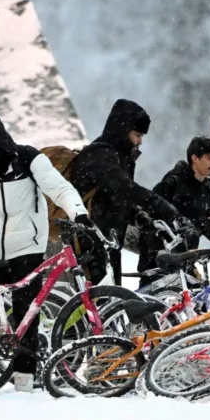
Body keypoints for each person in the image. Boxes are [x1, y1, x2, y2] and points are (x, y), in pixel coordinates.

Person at [0, 112, 90, 393]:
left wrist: (79, 213)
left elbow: (59, 188)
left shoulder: (29, 158)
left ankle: (24, 379)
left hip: (28, 246)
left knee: (27, 312)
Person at [69, 99, 183, 284]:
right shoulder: (100, 154)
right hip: (89, 245)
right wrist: (160, 204)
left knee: (109, 306)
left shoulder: (117, 156)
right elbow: (123, 188)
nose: (139, 141)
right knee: (99, 306)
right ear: (123, 130)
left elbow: (115, 198)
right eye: (137, 135)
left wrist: (139, 217)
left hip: (107, 242)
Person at [137, 136, 210, 286]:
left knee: (196, 304)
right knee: (152, 302)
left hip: (185, 261)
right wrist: (157, 254)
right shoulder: (172, 182)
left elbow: (209, 227)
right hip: (158, 261)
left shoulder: (206, 190)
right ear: (195, 158)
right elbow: (148, 220)